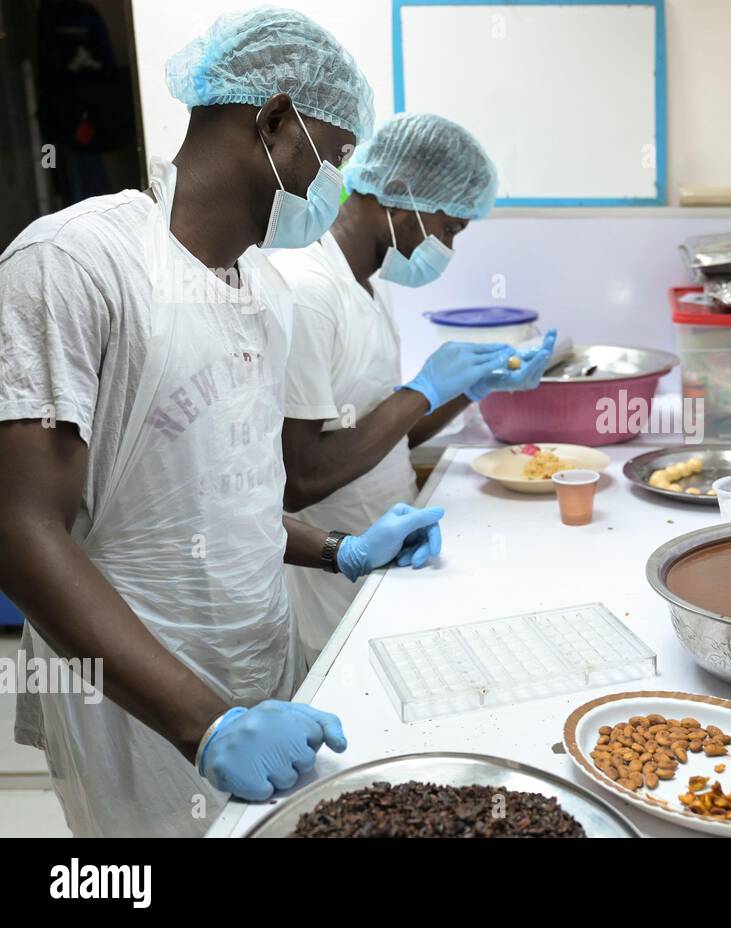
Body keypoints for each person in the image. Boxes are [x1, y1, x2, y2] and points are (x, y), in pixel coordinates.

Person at [0, 8, 439, 837]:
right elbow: (22, 531)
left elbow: (212, 503)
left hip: (256, 662)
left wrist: (333, 550)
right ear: (272, 120)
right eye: (334, 157)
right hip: (137, 706)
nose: (339, 187)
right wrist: (206, 723)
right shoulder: (75, 264)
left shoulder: (263, 293)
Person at [274, 112, 556, 662]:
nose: (448, 247)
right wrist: (425, 388)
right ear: (400, 196)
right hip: (335, 571)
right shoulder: (308, 290)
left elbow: (385, 431)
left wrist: (471, 389)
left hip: (387, 550)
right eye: (449, 229)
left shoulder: (367, 284)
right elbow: (300, 478)